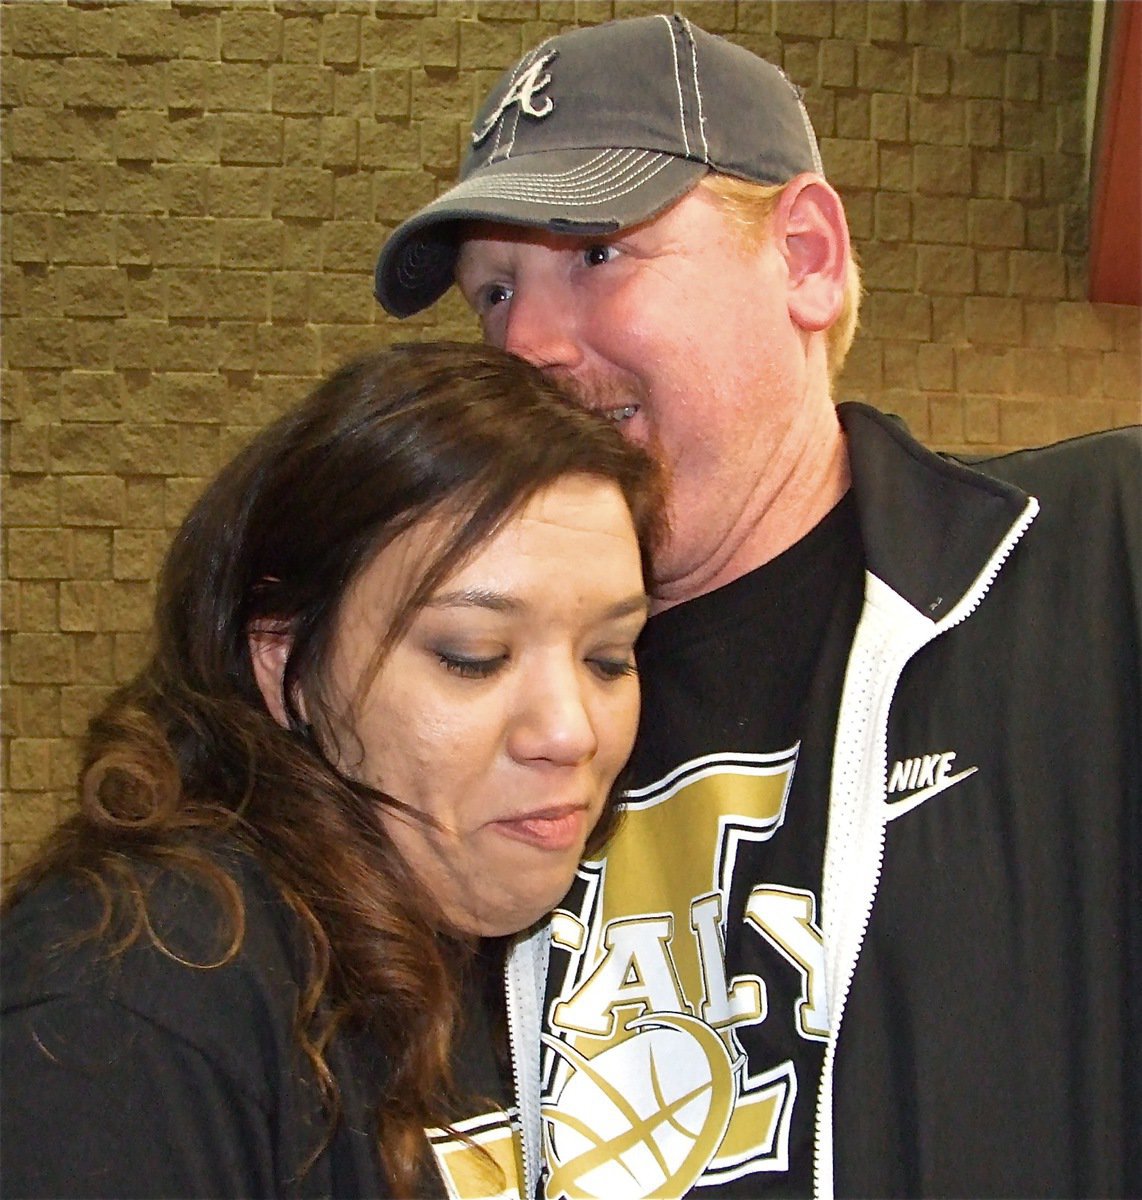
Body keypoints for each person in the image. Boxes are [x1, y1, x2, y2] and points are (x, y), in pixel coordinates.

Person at [373, 15, 1142, 1200]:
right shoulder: (435, 718)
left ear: (803, 256)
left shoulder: (1099, 567)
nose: (520, 339)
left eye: (593, 255)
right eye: (489, 292)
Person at [0, 342, 663, 1200]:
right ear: (287, 665)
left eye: (610, 658)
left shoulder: (512, 930)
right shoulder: (130, 1000)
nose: (570, 732)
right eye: (473, 656)